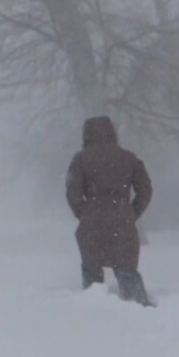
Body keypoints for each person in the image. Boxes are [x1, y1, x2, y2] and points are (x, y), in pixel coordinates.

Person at [65, 116, 154, 305]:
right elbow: (145, 189)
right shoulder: (129, 158)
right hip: (122, 224)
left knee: (92, 272)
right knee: (127, 270)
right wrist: (131, 213)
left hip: (91, 226)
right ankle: (140, 313)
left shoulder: (81, 159)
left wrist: (85, 213)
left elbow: (72, 192)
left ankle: (93, 314)